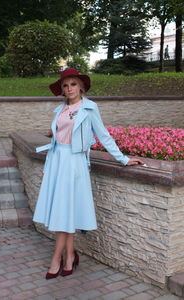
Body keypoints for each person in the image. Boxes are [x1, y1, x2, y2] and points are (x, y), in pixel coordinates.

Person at [33, 68, 143, 279]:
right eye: (65, 85)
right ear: (62, 90)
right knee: (63, 212)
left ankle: (57, 258)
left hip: (75, 163)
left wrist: (123, 159)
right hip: (57, 162)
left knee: (68, 211)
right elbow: (60, 134)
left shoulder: (90, 109)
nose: (69, 88)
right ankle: (69, 256)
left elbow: (103, 135)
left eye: (73, 84)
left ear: (81, 86)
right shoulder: (59, 110)